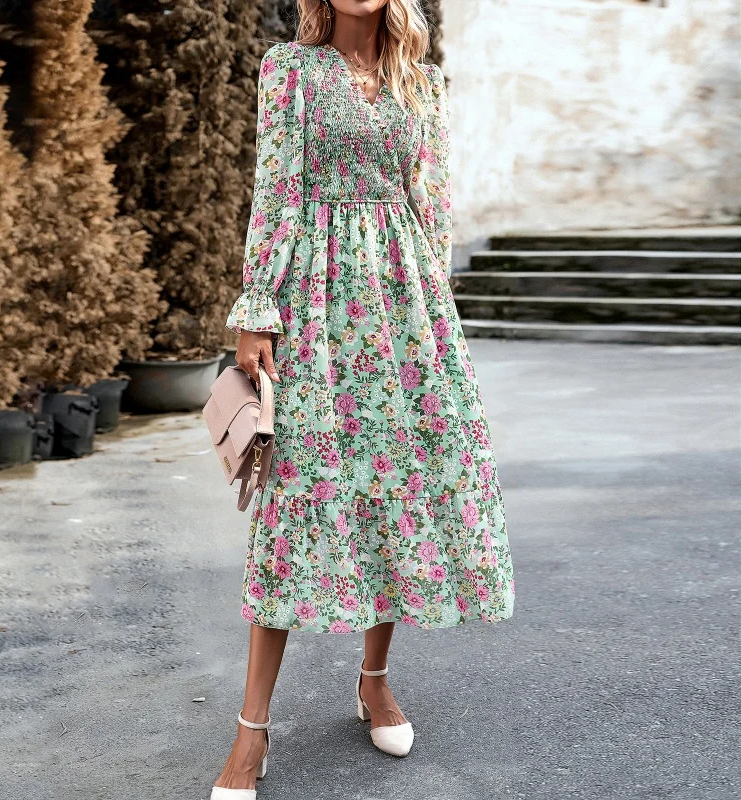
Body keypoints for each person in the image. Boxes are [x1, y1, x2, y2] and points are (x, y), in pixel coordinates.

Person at [211, 1, 516, 796]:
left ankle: (374, 679)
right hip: (316, 300)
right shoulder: (292, 70)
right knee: (295, 499)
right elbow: (274, 191)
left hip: (405, 307)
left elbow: (431, 205)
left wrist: (433, 318)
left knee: (398, 489)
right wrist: (257, 309)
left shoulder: (423, 82)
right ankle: (251, 732)